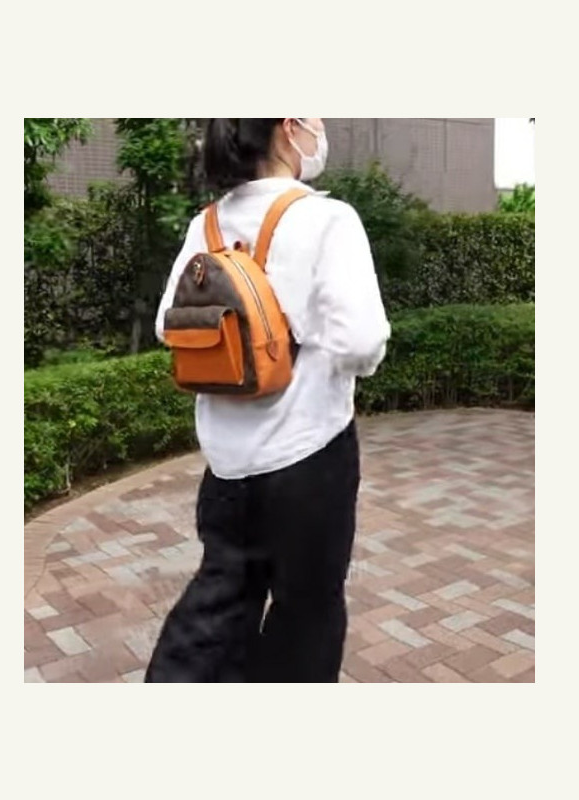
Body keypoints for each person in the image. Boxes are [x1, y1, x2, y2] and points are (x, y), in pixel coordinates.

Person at [145, 118, 391, 683]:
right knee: (307, 612)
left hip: (227, 467)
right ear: (288, 126)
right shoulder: (328, 219)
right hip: (310, 457)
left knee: (220, 603)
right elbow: (361, 341)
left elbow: (167, 325)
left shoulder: (206, 224)